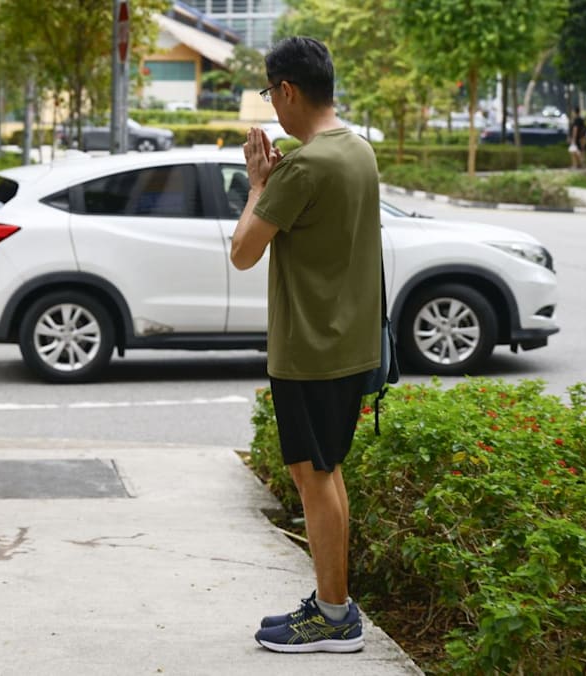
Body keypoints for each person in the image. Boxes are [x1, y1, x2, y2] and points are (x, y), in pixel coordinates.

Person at [229, 36, 379, 654]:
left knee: (313, 477)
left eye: (271, 94)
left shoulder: (304, 167)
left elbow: (241, 253)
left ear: (288, 89)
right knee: (323, 471)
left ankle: (335, 617)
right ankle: (329, 605)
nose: (273, 108)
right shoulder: (357, 150)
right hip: (349, 342)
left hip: (311, 348)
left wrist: (258, 183)